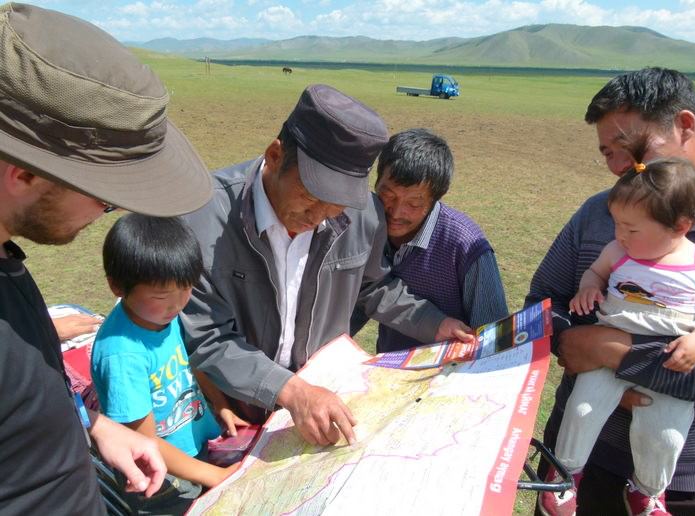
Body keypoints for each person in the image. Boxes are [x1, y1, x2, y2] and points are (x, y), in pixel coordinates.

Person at [0, 3, 212, 514]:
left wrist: (95, 426)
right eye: (105, 195)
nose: (105, 212)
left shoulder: (9, 259)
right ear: (21, 173)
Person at [182, 84, 473, 447]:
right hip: (231, 416)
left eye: (336, 205)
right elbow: (206, 336)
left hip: (319, 408)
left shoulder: (363, 215)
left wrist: (436, 323)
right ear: (275, 155)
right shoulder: (203, 220)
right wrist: (292, 391)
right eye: (310, 196)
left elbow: (374, 286)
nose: (319, 217)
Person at [526, 67, 695, 516]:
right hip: (577, 462)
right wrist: (566, 340)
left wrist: (612, 352)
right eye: (607, 152)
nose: (618, 167)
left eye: (631, 148)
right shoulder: (599, 214)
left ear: (685, 126)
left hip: (689, 480)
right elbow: (541, 304)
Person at [92, 215, 245, 512]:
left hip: (189, 451)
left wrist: (220, 403)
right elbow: (142, 441)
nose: (177, 305)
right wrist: (217, 475)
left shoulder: (160, 317)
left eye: (186, 289)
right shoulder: (122, 355)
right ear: (117, 286)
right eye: (161, 296)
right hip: (160, 478)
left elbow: (187, 361)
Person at [351, 128, 508, 352]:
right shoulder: (367, 223)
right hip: (389, 371)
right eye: (388, 195)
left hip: (452, 376)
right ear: (376, 183)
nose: (396, 213)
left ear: (436, 198)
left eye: (414, 204)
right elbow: (363, 295)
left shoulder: (465, 245)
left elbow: (494, 335)